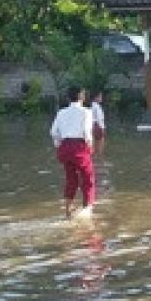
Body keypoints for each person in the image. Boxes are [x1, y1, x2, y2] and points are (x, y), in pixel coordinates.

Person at [49, 86, 95, 218]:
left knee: (71, 179)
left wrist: (58, 145)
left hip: (65, 148)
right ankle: (87, 209)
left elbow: (53, 132)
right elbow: (87, 132)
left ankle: (68, 210)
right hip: (79, 147)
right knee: (88, 178)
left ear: (68, 98)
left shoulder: (61, 112)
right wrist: (90, 145)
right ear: (82, 97)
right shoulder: (86, 112)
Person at [90, 91, 107, 156]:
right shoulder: (96, 106)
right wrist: (102, 128)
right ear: (95, 98)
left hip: (95, 125)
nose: (101, 98)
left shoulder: (93, 105)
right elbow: (99, 118)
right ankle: (99, 155)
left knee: (95, 141)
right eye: (100, 97)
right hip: (97, 125)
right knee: (100, 141)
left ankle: (95, 155)